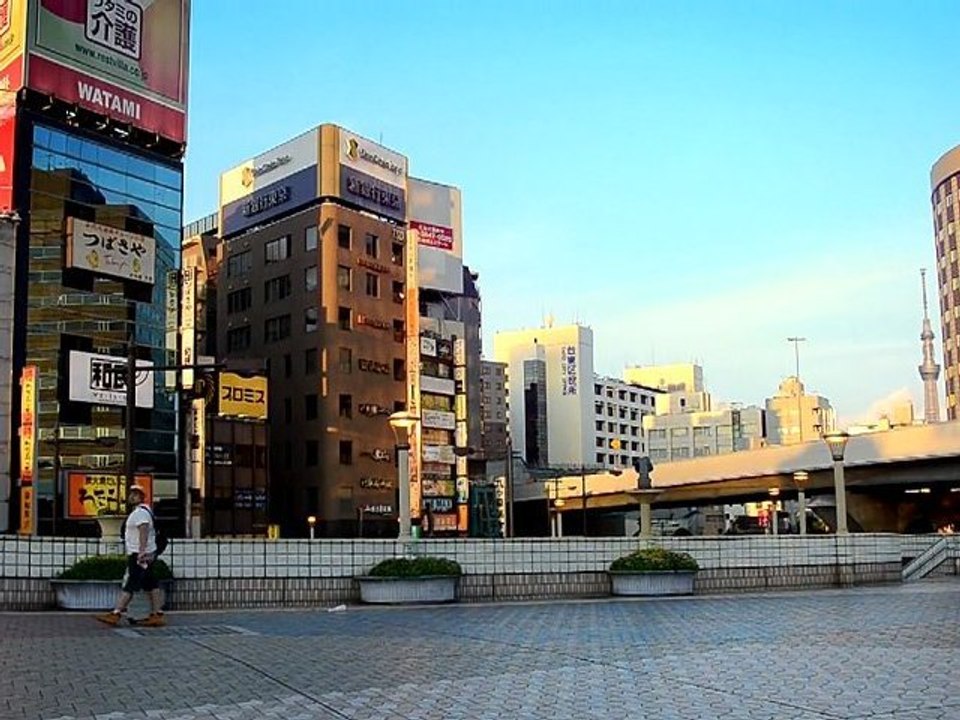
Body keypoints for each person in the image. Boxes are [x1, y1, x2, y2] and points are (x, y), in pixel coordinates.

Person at [96, 484, 166, 627]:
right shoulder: (145, 511)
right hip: (145, 553)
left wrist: (141, 551)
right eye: (131, 494)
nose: (132, 497)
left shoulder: (140, 513)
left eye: (135, 494)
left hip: (139, 555)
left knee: (131, 584)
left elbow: (143, 530)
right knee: (151, 583)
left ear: (141, 497)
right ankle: (157, 614)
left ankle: (116, 613)